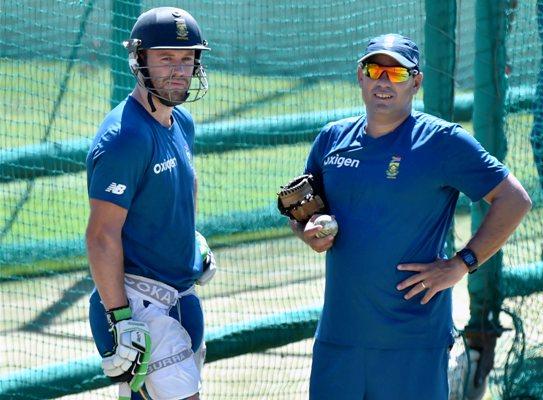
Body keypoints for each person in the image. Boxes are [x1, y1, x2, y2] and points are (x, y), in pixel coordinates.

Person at [290, 33, 532, 400]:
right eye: (374, 69)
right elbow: (305, 212)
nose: (384, 81)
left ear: (416, 82)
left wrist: (463, 263)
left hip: (412, 342)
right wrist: (305, 231)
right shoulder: (331, 139)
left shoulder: (442, 141)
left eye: (397, 73)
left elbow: (514, 199)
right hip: (340, 338)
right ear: (360, 76)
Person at [85, 7, 215, 400]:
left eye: (186, 58)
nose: (179, 69)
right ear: (139, 60)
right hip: (140, 302)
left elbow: (183, 191)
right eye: (165, 58)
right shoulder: (125, 138)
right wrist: (122, 320)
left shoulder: (181, 122)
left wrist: (189, 239)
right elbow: (101, 235)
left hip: (182, 294)